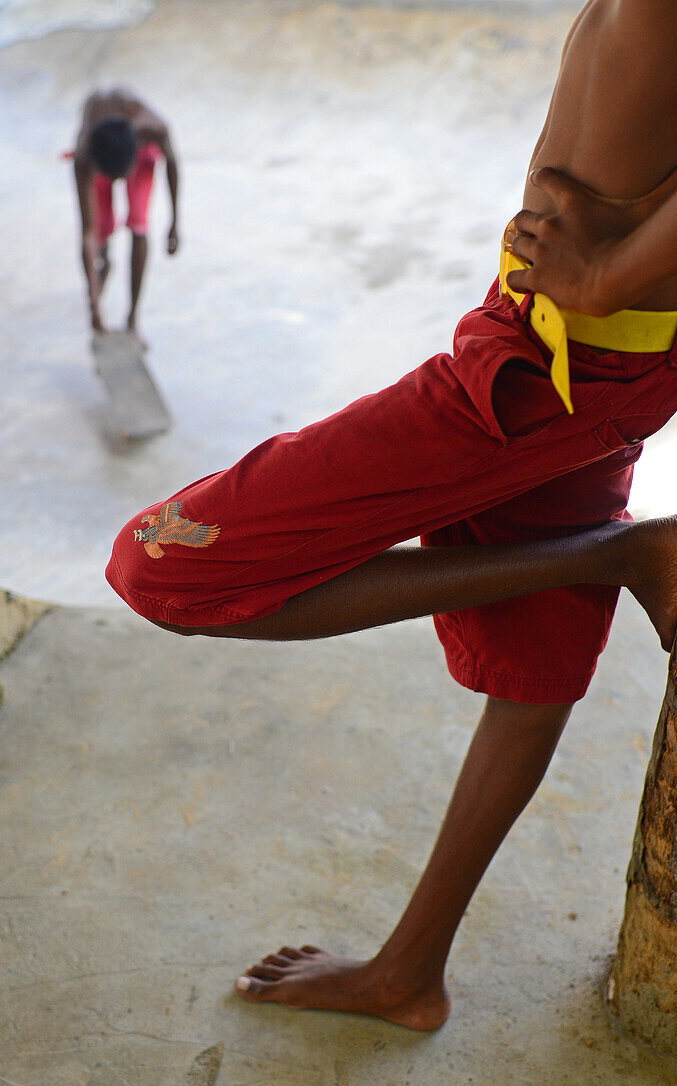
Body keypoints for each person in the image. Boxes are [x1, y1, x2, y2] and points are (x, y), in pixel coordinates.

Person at [105, 0, 677, 1030]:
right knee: (532, 668)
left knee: (165, 564)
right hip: (568, 345)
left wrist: (600, 274)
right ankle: (408, 971)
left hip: (561, 361)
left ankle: (616, 553)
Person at [73, 88, 179, 347]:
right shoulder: (85, 154)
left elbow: (173, 164)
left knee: (138, 225)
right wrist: (93, 303)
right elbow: (87, 232)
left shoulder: (154, 129)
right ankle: (101, 277)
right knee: (101, 231)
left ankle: (132, 320)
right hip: (102, 149)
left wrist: (175, 223)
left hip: (135, 148)